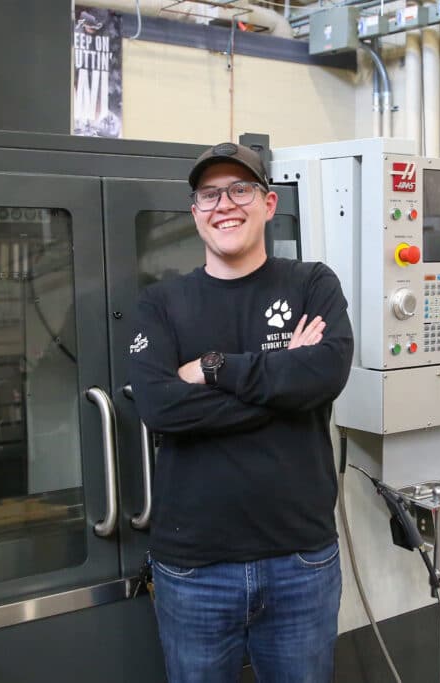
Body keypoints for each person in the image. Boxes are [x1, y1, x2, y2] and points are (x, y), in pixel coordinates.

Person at [128, 141, 354, 683]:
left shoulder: (311, 284)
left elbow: (325, 376)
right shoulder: (160, 304)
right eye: (209, 195)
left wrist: (211, 366)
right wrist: (283, 386)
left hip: (300, 558)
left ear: (269, 203)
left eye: (240, 189)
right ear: (195, 212)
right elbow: (161, 409)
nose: (224, 204)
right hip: (194, 567)